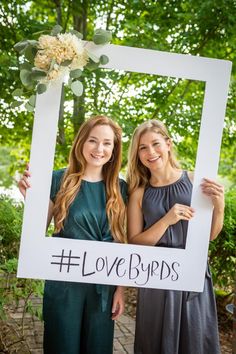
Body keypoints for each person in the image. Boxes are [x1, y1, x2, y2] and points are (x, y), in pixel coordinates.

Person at [18, 115, 127, 354]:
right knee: (62, 346)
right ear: (81, 143)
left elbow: (123, 243)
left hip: (103, 285)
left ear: (114, 148)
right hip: (65, 282)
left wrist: (120, 289)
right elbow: (38, 230)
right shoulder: (58, 179)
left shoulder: (121, 189)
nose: (99, 149)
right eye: (93, 140)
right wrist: (30, 199)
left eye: (107, 143)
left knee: (97, 348)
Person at [126, 119, 224, 354]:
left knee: (195, 341)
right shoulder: (139, 193)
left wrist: (219, 207)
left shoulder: (195, 181)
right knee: (155, 343)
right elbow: (135, 242)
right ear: (137, 154)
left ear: (168, 144)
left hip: (193, 275)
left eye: (156, 144)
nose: (151, 152)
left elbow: (209, 236)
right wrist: (167, 220)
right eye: (143, 147)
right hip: (155, 279)